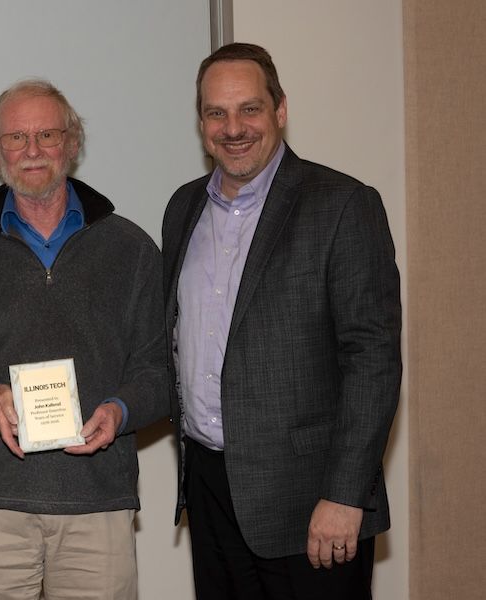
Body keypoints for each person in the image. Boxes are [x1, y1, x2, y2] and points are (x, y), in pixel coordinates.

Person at [162, 43, 402, 599]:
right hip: (210, 490)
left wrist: (346, 495)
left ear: (281, 110)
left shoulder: (342, 204)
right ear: (201, 122)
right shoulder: (182, 208)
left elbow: (373, 360)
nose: (233, 128)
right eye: (216, 113)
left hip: (311, 503)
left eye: (250, 108)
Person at [0, 78, 169, 600]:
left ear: (73, 142)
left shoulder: (132, 250)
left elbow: (160, 374)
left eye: (47, 134)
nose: (32, 150)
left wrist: (121, 411)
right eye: (16, 138)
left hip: (97, 505)